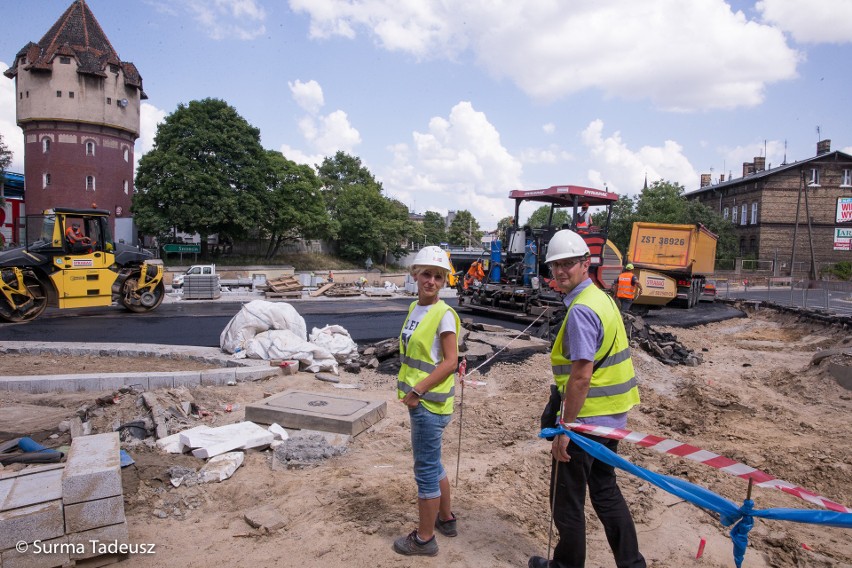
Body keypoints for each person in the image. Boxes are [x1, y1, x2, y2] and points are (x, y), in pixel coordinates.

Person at [530, 230, 645, 568]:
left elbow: (581, 376)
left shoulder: (581, 311)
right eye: (555, 266)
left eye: (568, 264)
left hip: (585, 422)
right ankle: (632, 563)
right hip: (611, 420)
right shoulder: (603, 298)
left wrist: (566, 427)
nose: (561, 271)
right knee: (606, 491)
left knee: (567, 501)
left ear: (585, 264)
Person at [393, 245, 461, 557]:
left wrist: (417, 390)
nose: (430, 280)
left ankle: (424, 538)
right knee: (434, 465)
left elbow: (450, 361)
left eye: (437, 276)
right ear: (415, 275)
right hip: (420, 402)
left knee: (425, 471)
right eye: (425, 274)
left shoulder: (444, 315)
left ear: (444, 281)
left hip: (429, 405)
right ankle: (445, 519)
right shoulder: (414, 309)